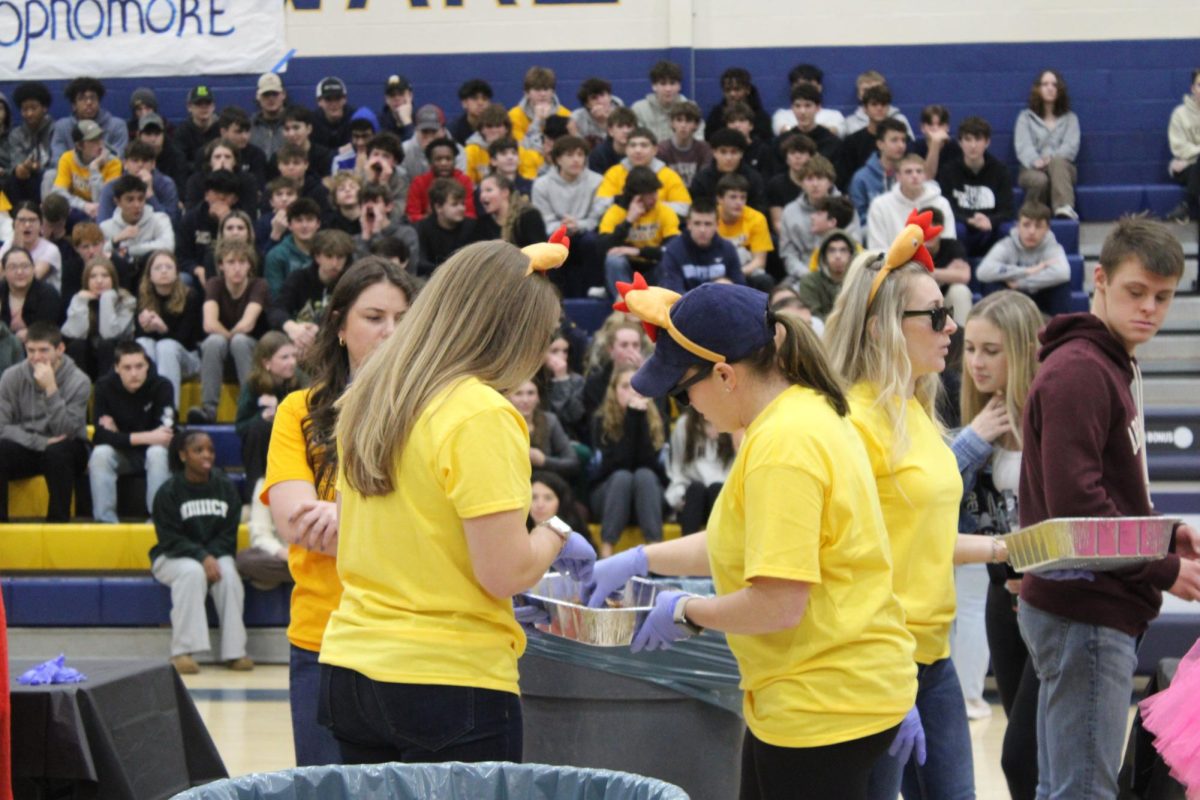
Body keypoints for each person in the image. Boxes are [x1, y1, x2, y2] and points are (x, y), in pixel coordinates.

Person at [585, 280, 920, 800]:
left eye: (683, 391)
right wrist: (641, 557)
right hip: (818, 693)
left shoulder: (784, 446)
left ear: (724, 375)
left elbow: (779, 604)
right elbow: (740, 540)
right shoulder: (799, 414)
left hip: (822, 705)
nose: (686, 405)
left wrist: (687, 611)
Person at [317, 239, 595, 765]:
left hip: (352, 666)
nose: (540, 355)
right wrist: (556, 530)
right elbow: (505, 573)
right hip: (447, 677)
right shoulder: (479, 412)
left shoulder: (370, 395)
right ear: (510, 336)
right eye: (542, 338)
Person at [823, 212, 1010, 799]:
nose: (950, 326)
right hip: (876, 667)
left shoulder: (919, 412)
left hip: (932, 658)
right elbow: (850, 563)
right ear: (881, 328)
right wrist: (885, 680)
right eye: (935, 316)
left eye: (947, 311)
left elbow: (917, 538)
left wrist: (1010, 548)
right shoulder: (854, 421)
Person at [1017, 217, 1200, 800]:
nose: (1149, 308)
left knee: (1064, 787)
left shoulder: (1110, 363)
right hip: (1086, 612)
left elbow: (1110, 492)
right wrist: (1164, 569)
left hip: (1087, 606)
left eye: (1163, 297)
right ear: (1099, 279)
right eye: (1135, 291)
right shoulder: (1080, 371)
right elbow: (1081, 511)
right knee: (1083, 793)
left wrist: (1166, 535)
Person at [262, 257, 417, 765]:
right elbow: (296, 523)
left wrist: (343, 517)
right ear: (340, 326)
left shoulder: (432, 414)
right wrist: (377, 523)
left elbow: (427, 527)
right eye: (374, 318)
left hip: (412, 638)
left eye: (402, 319)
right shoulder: (298, 412)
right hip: (321, 638)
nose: (390, 332)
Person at [952, 290, 1043, 798]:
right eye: (970, 349)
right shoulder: (975, 420)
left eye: (991, 350)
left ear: (1024, 350)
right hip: (998, 595)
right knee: (1024, 754)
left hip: (1050, 599)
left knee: (1022, 754)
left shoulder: (1048, 415)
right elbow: (932, 500)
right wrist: (973, 438)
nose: (976, 362)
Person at [151, 428, 251, 675]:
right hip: (172, 556)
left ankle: (234, 652)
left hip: (215, 554)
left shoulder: (225, 487)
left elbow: (229, 535)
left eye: (210, 450)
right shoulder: (168, 492)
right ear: (183, 455)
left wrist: (211, 556)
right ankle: (182, 652)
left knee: (229, 576)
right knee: (192, 573)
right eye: (199, 450)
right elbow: (169, 538)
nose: (207, 455)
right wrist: (202, 557)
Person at [0, 321, 90, 522]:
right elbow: (2, 427)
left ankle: (57, 525)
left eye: (43, 350)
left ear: (60, 349)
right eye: (31, 350)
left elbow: (68, 431)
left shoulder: (79, 381)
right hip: (29, 446)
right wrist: (40, 442)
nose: (36, 357)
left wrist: (51, 389)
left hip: (68, 450)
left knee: (58, 451)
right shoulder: (11, 377)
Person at [88, 341, 173, 523]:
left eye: (139, 366)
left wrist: (118, 434)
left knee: (157, 452)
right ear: (117, 368)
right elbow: (100, 436)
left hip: (150, 453)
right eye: (127, 367)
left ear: (147, 365)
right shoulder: (104, 387)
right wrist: (149, 436)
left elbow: (166, 435)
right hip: (123, 455)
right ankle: (106, 523)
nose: (134, 373)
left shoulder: (162, 386)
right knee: (100, 454)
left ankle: (158, 521)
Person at [589, 364, 666, 558]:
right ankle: (606, 553)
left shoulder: (658, 420)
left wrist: (638, 419)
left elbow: (648, 464)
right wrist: (633, 417)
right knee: (622, 477)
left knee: (644, 476)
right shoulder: (600, 421)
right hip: (609, 495)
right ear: (613, 391)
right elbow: (616, 465)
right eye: (625, 386)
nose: (632, 392)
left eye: (637, 386)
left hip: (646, 497)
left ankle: (655, 552)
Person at [189, 240, 269, 424]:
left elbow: (247, 324)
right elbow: (209, 324)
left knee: (239, 340)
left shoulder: (259, 285)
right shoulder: (214, 284)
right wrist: (228, 339)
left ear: (250, 265)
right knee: (213, 341)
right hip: (222, 352)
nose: (237, 268)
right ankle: (209, 410)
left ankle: (253, 406)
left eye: (242, 262)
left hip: (252, 352)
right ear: (221, 265)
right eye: (231, 262)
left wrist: (230, 338)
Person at [236, 332, 301, 503]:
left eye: (294, 356)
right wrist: (262, 416)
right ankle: (257, 496)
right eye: (284, 357)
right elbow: (240, 427)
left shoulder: (300, 381)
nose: (292, 362)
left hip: (293, 443)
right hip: (260, 447)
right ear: (266, 363)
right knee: (260, 427)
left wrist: (281, 410)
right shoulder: (253, 385)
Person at [597, 166, 680, 297]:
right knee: (613, 260)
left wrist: (639, 251)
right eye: (649, 194)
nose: (654, 198)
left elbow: (673, 250)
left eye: (655, 192)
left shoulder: (665, 212)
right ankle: (627, 308)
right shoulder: (615, 212)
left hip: (653, 268)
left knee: (667, 264)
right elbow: (601, 248)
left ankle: (661, 307)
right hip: (627, 271)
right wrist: (628, 221)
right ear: (635, 196)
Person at [938, 116, 1014, 258]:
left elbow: (1007, 211)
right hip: (963, 227)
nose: (973, 145)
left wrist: (990, 221)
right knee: (956, 228)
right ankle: (958, 268)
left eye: (978, 139)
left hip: (990, 229)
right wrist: (968, 220)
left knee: (1007, 229)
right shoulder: (948, 171)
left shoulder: (1000, 171)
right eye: (968, 139)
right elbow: (946, 208)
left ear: (987, 142)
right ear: (960, 143)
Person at [270, 229, 355, 356]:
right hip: (297, 337)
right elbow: (277, 309)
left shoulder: (350, 283)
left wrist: (317, 330)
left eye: (340, 257)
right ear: (317, 257)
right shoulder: (299, 278)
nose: (334, 263)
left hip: (333, 342)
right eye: (329, 256)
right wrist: (292, 327)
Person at [136, 250, 203, 409]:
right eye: (158, 268)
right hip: (157, 360)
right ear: (150, 275)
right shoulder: (143, 298)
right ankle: (146, 408)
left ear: (176, 273)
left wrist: (163, 329)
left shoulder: (191, 297)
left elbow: (187, 340)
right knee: (143, 343)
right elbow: (138, 337)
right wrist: (144, 326)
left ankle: (168, 412)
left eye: (168, 267)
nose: (164, 271)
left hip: (188, 360)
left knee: (166, 346)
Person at [976, 201, 1070, 313]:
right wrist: (1027, 271)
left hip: (1040, 299)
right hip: (1011, 303)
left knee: (1061, 284)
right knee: (991, 284)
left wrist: (1022, 283)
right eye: (1026, 225)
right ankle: (999, 327)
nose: (1031, 231)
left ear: (1047, 229)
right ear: (1017, 226)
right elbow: (982, 272)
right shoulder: (1006, 245)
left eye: (1038, 226)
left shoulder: (1052, 246)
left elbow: (1063, 273)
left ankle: (1057, 329)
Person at [1014, 70, 1081, 220]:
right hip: (1032, 169)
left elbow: (1071, 147)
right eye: (1045, 84)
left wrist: (1050, 160)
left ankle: (1064, 208)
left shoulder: (1070, 118)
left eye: (1054, 84)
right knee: (1040, 180)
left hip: (1062, 170)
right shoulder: (1025, 117)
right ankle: (1032, 216)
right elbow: (1023, 146)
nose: (1050, 88)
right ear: (1037, 89)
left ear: (1060, 89)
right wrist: (1035, 161)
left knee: (1058, 162)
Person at [61, 258, 136, 380]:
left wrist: (106, 298)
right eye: (93, 277)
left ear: (113, 278)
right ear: (86, 281)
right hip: (88, 359)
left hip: (116, 359)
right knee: (76, 345)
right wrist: (81, 302)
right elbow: (74, 334)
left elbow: (109, 335)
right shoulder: (79, 298)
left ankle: (105, 392)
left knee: (105, 344)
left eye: (105, 276)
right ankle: (80, 391)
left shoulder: (126, 300)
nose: (99, 281)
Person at [665, 407, 734, 535]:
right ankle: (686, 551)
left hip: (722, 497)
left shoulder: (732, 424)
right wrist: (679, 495)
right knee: (696, 490)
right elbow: (677, 469)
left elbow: (736, 468)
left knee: (716, 488)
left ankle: (720, 551)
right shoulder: (684, 425)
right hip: (694, 498)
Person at [596, 127, 692, 217]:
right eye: (633, 145)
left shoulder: (668, 175)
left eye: (644, 145)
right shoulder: (614, 173)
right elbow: (598, 208)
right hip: (622, 228)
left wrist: (650, 205)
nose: (638, 150)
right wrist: (626, 202)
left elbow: (684, 208)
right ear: (626, 149)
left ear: (654, 150)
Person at [866, 154, 956, 249]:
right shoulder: (880, 205)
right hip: (892, 262)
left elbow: (949, 242)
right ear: (898, 177)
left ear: (925, 175)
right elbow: (876, 248)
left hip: (935, 262)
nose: (915, 176)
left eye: (919, 171)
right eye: (908, 172)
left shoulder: (941, 204)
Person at [658, 196, 744, 292]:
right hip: (686, 304)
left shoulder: (728, 249)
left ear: (717, 225)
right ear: (689, 224)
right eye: (697, 223)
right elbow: (673, 292)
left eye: (708, 224)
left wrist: (729, 287)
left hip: (719, 304)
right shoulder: (673, 250)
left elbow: (742, 290)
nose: (702, 230)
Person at [508, 379, 580, 481]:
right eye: (518, 394)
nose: (525, 400)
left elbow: (572, 463)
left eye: (531, 393)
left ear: (538, 398)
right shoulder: (502, 424)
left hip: (546, 483)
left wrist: (544, 461)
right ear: (508, 398)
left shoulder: (550, 421)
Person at [50, 120, 121, 220]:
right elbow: (58, 192)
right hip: (76, 209)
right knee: (49, 176)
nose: (100, 144)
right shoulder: (67, 158)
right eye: (93, 140)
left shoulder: (113, 163)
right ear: (79, 145)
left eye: (100, 138)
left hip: (100, 215)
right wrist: (84, 206)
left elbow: (102, 202)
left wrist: (94, 168)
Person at [716, 173, 774, 291]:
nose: (739, 202)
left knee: (764, 279)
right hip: (715, 270)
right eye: (733, 197)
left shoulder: (757, 219)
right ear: (720, 199)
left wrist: (734, 274)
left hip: (745, 270)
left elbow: (759, 261)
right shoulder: (710, 218)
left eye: (743, 197)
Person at [48, 77, 127, 165]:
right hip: (71, 173)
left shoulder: (116, 125)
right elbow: (57, 159)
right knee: (50, 174)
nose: (89, 102)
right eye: (82, 98)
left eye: (93, 98)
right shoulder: (62, 127)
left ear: (98, 101)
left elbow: (118, 157)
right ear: (74, 105)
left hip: (106, 172)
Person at [98, 174, 175, 265]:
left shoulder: (160, 219)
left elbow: (168, 246)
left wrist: (128, 250)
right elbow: (97, 253)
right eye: (130, 200)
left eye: (141, 199)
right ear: (117, 202)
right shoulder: (106, 227)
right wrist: (115, 241)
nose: (137, 205)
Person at [1, 81, 53, 205]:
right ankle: (19, 217)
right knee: (15, 179)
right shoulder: (17, 134)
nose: (29, 113)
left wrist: (38, 168)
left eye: (33, 108)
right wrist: (22, 167)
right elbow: (16, 163)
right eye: (25, 109)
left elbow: (58, 161)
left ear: (44, 108)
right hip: (26, 181)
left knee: (50, 175)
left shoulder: (55, 129)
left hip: (50, 179)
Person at [848, 118, 908, 222]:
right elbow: (858, 219)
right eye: (894, 140)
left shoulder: (910, 174)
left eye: (903, 140)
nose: (901, 145)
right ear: (880, 144)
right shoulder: (861, 179)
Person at [415, 178, 475, 277]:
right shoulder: (423, 227)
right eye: (454, 204)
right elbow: (421, 263)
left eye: (463, 204)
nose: (461, 208)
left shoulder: (471, 226)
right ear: (438, 207)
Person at [632, 61, 703, 143]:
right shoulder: (639, 109)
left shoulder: (692, 108)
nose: (668, 89)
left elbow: (698, 140)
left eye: (672, 83)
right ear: (654, 86)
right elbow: (635, 141)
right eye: (663, 84)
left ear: (679, 86)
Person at [406, 136, 474, 222]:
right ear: (430, 162)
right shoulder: (419, 183)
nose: (444, 163)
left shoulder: (464, 181)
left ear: (454, 161)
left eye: (448, 159)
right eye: (438, 159)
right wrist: (438, 220)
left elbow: (470, 215)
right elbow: (412, 216)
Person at [264, 199, 322, 299]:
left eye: (309, 219)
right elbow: (276, 296)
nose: (304, 225)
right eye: (299, 220)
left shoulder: (328, 251)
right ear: (290, 225)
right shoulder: (276, 255)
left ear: (318, 224)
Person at [0, 247, 61, 340]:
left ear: (33, 268)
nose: (19, 272)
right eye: (13, 267)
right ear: (4, 271)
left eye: (25, 266)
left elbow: (47, 329)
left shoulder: (48, 293)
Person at [795, 229, 858, 320]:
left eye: (843, 250)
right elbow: (814, 317)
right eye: (832, 250)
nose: (838, 256)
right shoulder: (810, 282)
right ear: (823, 257)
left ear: (851, 255)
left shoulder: (859, 280)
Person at [0, 201, 61, 292]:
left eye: (32, 220)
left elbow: (27, 280)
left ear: (40, 224)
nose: (27, 225)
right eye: (22, 220)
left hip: (41, 301)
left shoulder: (50, 249)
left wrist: (17, 251)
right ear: (14, 224)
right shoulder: (8, 244)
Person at [472, 173, 548, 247]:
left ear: (505, 192)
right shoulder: (482, 223)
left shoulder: (529, 216)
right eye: (481, 192)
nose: (482, 196)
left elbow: (540, 250)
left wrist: (507, 250)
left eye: (488, 190)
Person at [771, 63, 845, 137]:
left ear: (819, 88)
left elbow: (834, 132)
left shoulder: (834, 115)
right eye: (800, 86)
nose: (805, 90)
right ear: (792, 88)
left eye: (810, 85)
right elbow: (783, 132)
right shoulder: (781, 115)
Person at [508, 66, 572, 152]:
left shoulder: (565, 114)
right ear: (527, 93)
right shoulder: (514, 115)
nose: (543, 94)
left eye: (546, 89)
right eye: (537, 89)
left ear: (553, 92)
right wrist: (537, 120)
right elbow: (521, 148)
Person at [705, 67, 773, 144]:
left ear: (747, 90)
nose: (732, 94)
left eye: (737, 89)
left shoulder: (760, 116)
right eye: (727, 90)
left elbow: (766, 142)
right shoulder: (716, 115)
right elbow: (709, 139)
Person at [541, 330, 587, 442]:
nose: (562, 356)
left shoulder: (577, 381)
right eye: (554, 351)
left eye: (565, 351)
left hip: (568, 438)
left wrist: (561, 380)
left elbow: (573, 416)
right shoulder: (534, 380)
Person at [1167, 68, 1200, 222]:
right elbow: (1179, 147)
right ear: (1192, 88)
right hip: (1186, 170)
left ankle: (1186, 206)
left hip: (1188, 164)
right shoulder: (1179, 114)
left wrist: (1190, 158)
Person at [767, 133, 817, 231]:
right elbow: (777, 223)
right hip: (788, 236)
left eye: (802, 153)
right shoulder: (776, 184)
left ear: (810, 157)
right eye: (793, 153)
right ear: (786, 158)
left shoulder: (818, 182)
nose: (797, 157)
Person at [656, 101, 711, 189]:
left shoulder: (704, 149)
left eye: (688, 121)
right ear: (672, 123)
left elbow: (704, 181)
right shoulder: (661, 149)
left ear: (696, 125)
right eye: (679, 120)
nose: (683, 125)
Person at [529, 470, 586, 538]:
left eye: (548, 498)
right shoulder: (517, 533)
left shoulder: (572, 538)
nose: (540, 505)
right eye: (534, 497)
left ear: (562, 502)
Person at [589, 106, 638, 176]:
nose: (626, 131)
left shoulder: (640, 152)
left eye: (629, 126)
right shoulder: (598, 155)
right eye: (620, 126)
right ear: (610, 131)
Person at [251, 73, 288, 160]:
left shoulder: (294, 126)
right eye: (266, 94)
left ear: (283, 95)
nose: (271, 98)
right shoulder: (250, 126)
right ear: (258, 97)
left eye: (275, 94)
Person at [312, 77, 352, 151]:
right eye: (328, 99)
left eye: (338, 98)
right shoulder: (311, 123)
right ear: (319, 102)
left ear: (345, 99)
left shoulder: (355, 119)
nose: (334, 104)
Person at [451, 79, 494, 145]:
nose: (480, 103)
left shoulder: (497, 128)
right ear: (464, 103)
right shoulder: (453, 131)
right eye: (475, 98)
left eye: (484, 99)